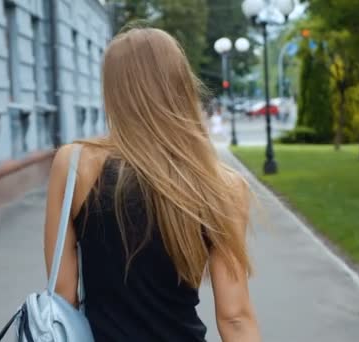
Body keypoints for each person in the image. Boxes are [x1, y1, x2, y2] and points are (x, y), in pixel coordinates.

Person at [43, 27, 260, 342]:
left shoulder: (75, 164)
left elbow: (62, 297)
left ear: (113, 92)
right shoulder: (220, 184)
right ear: (181, 87)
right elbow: (235, 317)